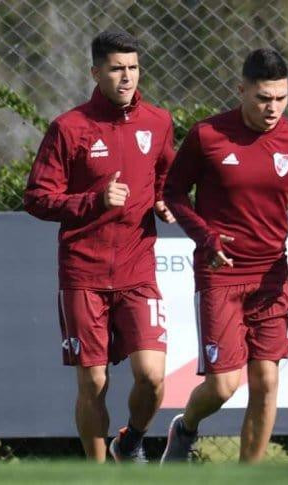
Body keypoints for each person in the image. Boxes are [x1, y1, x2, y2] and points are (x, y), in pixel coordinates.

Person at [160, 48, 288, 463]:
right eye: (263, 98)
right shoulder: (208, 136)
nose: (273, 108)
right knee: (223, 385)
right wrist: (206, 237)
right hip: (221, 275)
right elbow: (174, 194)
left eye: (281, 98)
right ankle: (185, 427)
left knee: (267, 380)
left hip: (271, 278)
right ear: (242, 90)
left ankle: (248, 474)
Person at [23, 30, 175, 463]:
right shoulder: (69, 128)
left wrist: (162, 199)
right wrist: (93, 200)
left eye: (133, 68)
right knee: (93, 382)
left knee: (152, 377)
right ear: (96, 72)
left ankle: (130, 442)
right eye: (116, 69)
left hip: (137, 271)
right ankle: (98, 473)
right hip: (83, 273)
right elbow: (36, 198)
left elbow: (166, 174)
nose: (126, 77)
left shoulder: (158, 121)